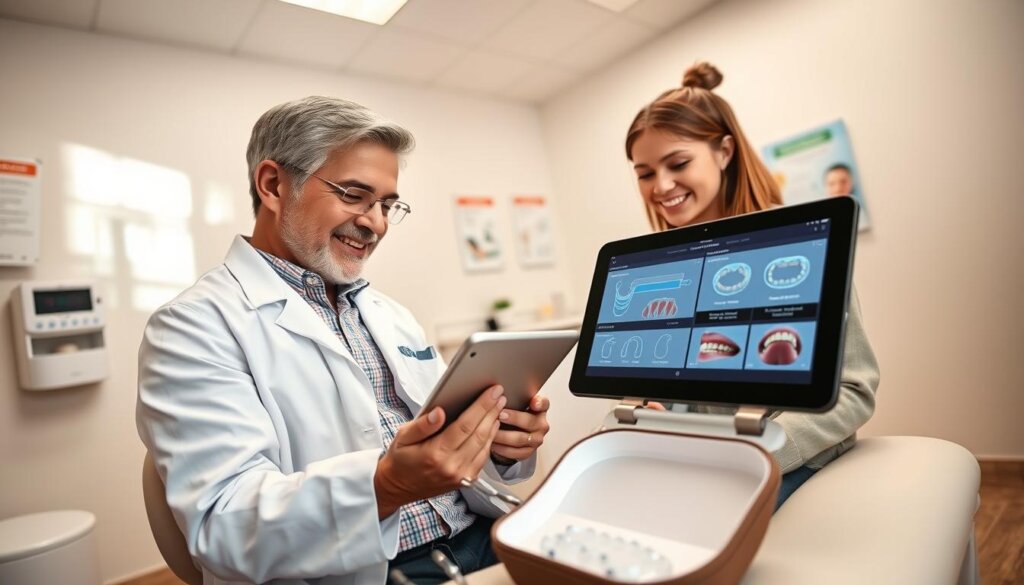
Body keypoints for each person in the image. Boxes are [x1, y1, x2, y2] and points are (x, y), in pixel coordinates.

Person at [136, 96, 549, 585]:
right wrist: (385, 485)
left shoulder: (391, 315)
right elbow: (224, 525)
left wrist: (501, 443)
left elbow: (453, 447)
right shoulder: (192, 326)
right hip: (371, 570)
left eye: (387, 205)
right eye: (354, 195)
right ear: (273, 185)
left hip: (487, 534)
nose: (376, 223)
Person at [624, 63, 880, 508]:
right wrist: (655, 410)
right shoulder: (671, 270)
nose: (661, 186)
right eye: (645, 173)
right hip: (707, 462)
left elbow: (853, 391)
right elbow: (685, 391)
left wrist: (757, 452)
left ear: (724, 152)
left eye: (678, 163)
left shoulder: (804, 240)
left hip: (791, 464)